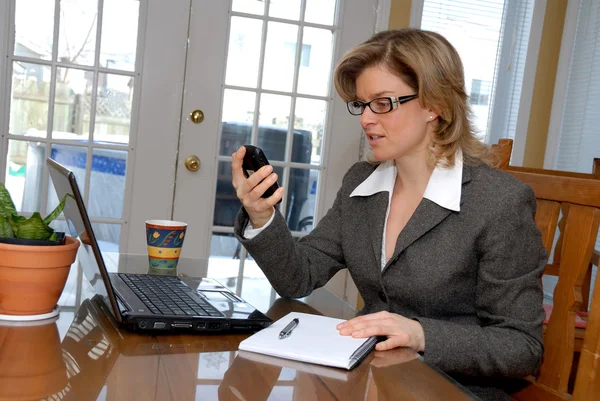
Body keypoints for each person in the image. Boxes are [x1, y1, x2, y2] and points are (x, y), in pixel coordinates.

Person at [230, 28, 546, 401]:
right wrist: (262, 216)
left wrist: (420, 333)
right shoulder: (361, 184)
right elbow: (299, 277)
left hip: (450, 390)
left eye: (382, 103)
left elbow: (521, 346)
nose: (366, 119)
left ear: (435, 105)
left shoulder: (499, 203)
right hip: (370, 382)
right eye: (362, 104)